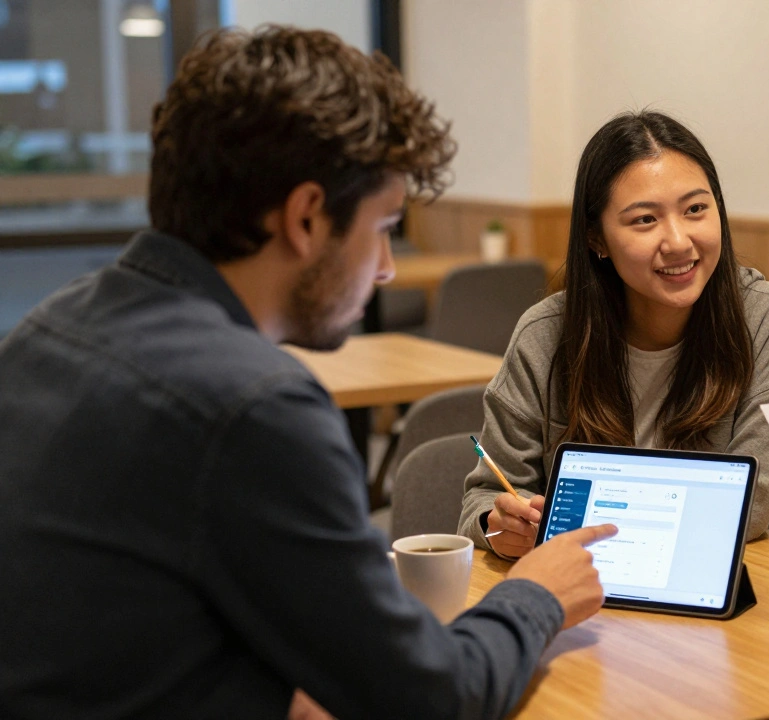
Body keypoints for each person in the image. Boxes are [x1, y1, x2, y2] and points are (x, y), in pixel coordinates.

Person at [0, 26, 617, 720]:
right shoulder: (252, 406)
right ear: (305, 218)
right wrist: (537, 594)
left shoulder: (47, 329)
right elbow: (432, 698)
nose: (386, 266)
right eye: (383, 225)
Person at [456, 111, 769, 558]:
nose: (679, 241)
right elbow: (484, 500)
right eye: (645, 220)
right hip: (573, 586)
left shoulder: (763, 317)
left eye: (696, 209)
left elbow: (749, 510)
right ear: (596, 239)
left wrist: (585, 517)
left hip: (701, 578)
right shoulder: (546, 335)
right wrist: (499, 525)